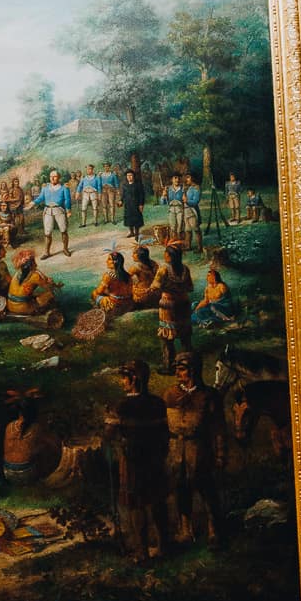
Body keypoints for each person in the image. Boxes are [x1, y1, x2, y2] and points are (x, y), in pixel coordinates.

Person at [103, 357, 169, 563]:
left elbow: (108, 435)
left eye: (124, 378)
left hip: (131, 461)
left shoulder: (121, 405)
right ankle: (163, 547)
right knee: (157, 501)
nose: (122, 382)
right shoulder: (158, 403)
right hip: (155, 459)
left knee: (135, 505)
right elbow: (164, 433)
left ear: (134, 379)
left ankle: (141, 552)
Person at [164, 350, 225, 546]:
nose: (178, 374)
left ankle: (214, 529)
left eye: (181, 370)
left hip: (199, 448)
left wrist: (220, 454)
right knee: (181, 488)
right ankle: (185, 530)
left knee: (206, 488)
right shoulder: (170, 394)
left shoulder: (208, 395)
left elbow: (218, 428)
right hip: (176, 449)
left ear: (193, 370)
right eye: (177, 370)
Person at [156, 239, 194, 373]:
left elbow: (156, 287)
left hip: (168, 305)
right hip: (183, 303)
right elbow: (190, 287)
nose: (164, 255)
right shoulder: (185, 269)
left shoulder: (163, 270)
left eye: (165, 253)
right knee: (185, 334)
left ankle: (169, 366)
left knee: (167, 336)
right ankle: (189, 361)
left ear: (170, 256)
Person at [8, 247, 57, 318]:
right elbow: (48, 287)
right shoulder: (35, 276)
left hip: (10, 306)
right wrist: (50, 281)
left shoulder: (17, 273)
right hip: (23, 308)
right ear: (32, 262)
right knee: (50, 294)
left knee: (32, 294)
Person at [193, 250, 236, 330]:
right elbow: (205, 300)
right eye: (207, 276)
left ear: (214, 277)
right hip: (212, 306)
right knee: (195, 306)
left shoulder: (221, 286)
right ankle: (205, 320)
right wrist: (197, 308)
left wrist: (213, 304)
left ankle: (218, 320)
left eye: (209, 276)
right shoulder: (208, 288)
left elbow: (227, 300)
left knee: (209, 308)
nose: (207, 278)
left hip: (223, 308)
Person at [35, 168, 72, 259]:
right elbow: (40, 198)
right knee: (47, 233)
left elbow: (67, 200)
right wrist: (32, 203)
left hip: (59, 210)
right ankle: (47, 252)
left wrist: (68, 210)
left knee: (63, 230)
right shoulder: (45, 188)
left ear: (58, 177)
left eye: (55, 176)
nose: (52, 178)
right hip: (48, 211)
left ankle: (65, 249)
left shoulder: (64, 188)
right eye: (51, 176)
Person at [93, 248, 132, 315]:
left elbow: (99, 291)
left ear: (115, 262)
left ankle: (99, 312)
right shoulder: (127, 275)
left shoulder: (108, 276)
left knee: (94, 293)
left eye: (109, 259)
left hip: (116, 305)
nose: (106, 261)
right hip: (128, 304)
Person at [120, 157, 146, 241]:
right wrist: (121, 200)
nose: (129, 177)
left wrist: (141, 204)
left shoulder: (138, 184)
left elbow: (142, 195)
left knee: (136, 219)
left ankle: (137, 234)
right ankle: (131, 232)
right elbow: (123, 195)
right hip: (128, 205)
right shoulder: (124, 185)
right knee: (129, 218)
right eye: (128, 176)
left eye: (130, 175)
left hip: (136, 205)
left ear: (133, 176)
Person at [182, 175, 203, 250]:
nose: (186, 179)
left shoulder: (196, 188)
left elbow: (196, 201)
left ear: (193, 178)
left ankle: (199, 247)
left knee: (196, 229)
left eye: (188, 177)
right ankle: (188, 246)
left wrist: (187, 201)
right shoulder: (189, 188)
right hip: (186, 211)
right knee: (187, 230)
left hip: (192, 211)